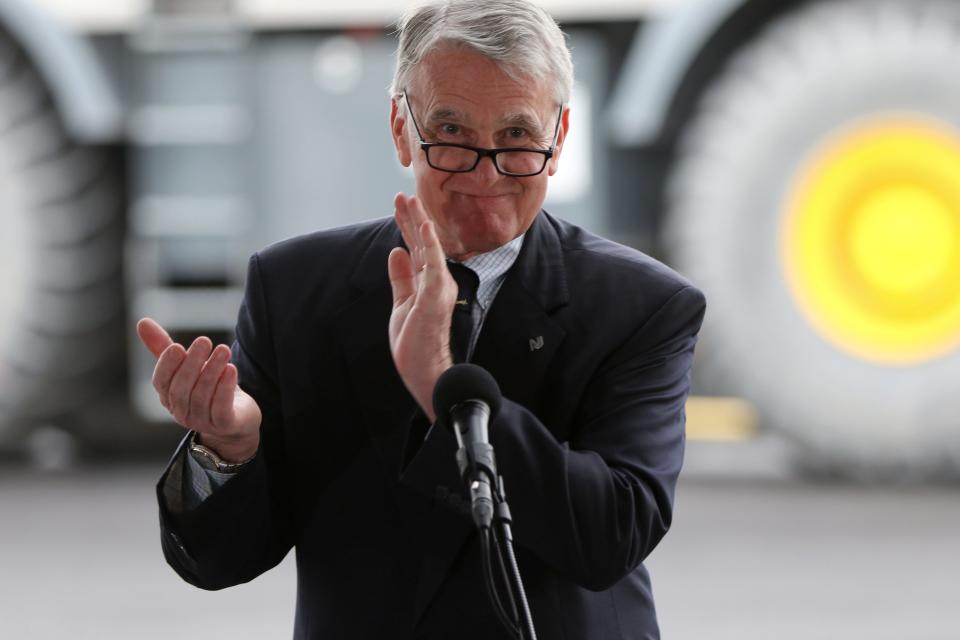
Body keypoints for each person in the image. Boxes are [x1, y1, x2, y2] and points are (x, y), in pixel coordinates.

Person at [137, 0, 706, 638]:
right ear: (400, 127)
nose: (485, 173)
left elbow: (611, 536)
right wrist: (229, 449)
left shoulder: (643, 306)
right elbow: (219, 561)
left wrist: (443, 387)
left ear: (560, 137)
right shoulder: (294, 288)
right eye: (453, 134)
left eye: (517, 137)